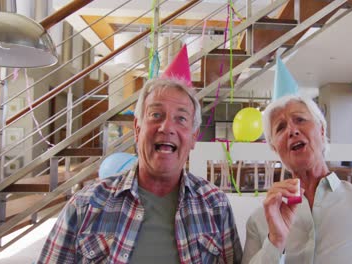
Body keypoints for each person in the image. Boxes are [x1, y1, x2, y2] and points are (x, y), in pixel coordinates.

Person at [37, 78, 242, 263]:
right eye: (156, 115)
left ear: (193, 137)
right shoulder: (86, 204)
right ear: (137, 129)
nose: (166, 127)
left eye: (180, 119)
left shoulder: (215, 204)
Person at [241, 94, 352, 263]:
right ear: (274, 148)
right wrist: (275, 242)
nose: (292, 130)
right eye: (280, 128)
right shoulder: (261, 220)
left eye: (300, 120)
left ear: (321, 129)